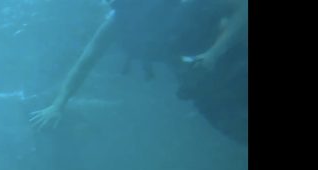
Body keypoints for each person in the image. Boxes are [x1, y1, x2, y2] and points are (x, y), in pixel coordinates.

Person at [29, 0, 248, 145]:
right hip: (203, 88)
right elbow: (84, 64)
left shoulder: (182, 3)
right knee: (239, 132)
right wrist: (58, 104)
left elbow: (242, 8)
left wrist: (214, 53)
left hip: (236, 62)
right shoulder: (117, 23)